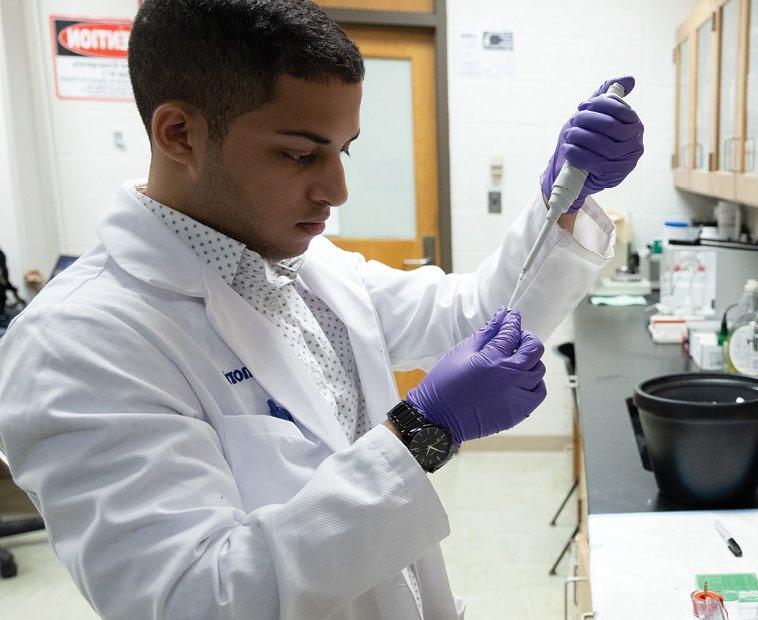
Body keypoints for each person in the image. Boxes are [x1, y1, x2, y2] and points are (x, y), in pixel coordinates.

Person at [0, 0, 643, 617]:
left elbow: (474, 316)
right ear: (179, 134)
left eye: (344, 149)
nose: (336, 190)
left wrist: (560, 196)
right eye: (301, 153)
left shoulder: (307, 265)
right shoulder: (76, 342)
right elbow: (198, 599)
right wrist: (419, 435)